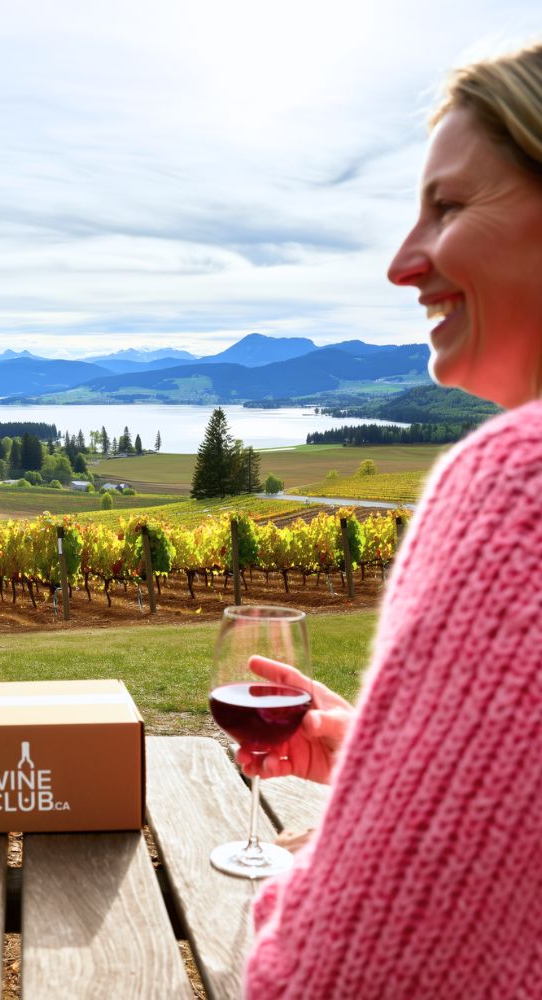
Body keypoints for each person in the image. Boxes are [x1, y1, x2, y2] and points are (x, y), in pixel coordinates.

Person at [242, 42, 542, 999]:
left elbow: (343, 977)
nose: (400, 263)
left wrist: (310, 872)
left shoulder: (515, 491)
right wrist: (389, 767)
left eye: (449, 207)